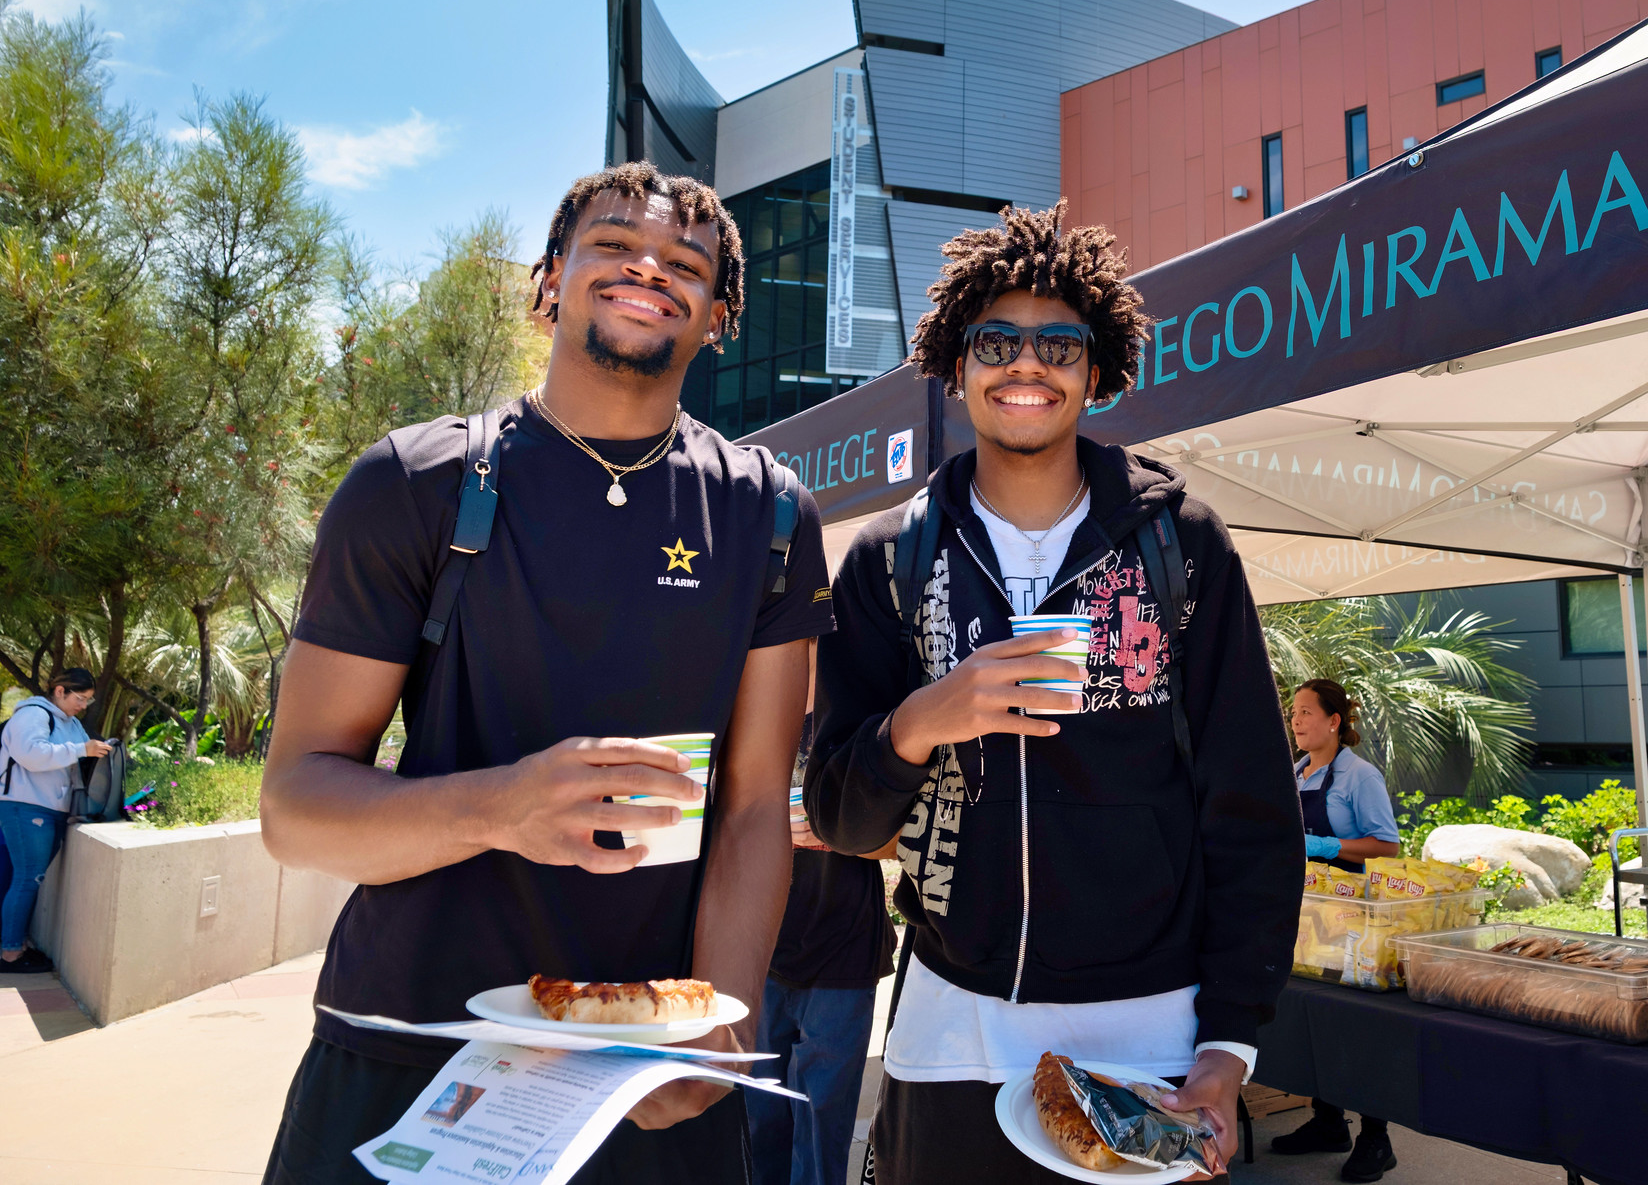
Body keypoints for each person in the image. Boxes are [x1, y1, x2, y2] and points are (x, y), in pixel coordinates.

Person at [258, 163, 834, 1185]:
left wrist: (720, 1021)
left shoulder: (770, 513)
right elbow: (296, 807)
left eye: (685, 263)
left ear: (718, 317)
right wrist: (499, 809)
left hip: (651, 1076)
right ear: (551, 281)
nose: (647, 268)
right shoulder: (416, 483)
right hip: (407, 1050)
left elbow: (751, 807)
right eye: (611, 246)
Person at [806, 202, 1303, 1184]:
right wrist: (917, 723)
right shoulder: (888, 559)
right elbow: (839, 815)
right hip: (952, 1028)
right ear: (956, 362)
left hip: (1149, 1035)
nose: (1024, 365)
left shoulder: (1180, 543)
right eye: (995, 340)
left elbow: (1250, 811)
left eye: (1058, 344)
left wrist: (1228, 1047)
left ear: (1096, 369)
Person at [744, 692, 898, 1185]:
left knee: (820, 1134)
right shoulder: (751, 717)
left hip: (844, 955)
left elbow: (909, 834)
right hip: (761, 952)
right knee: (760, 1126)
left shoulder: (860, 713)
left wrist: (844, 834)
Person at [1269, 679, 1401, 1182]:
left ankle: (1376, 1137)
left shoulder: (1359, 776)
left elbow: (1386, 846)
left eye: (1306, 712)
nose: (1296, 721)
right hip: (1307, 913)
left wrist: (1325, 846)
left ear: (1334, 721)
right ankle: (1328, 1123)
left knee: (1355, 1026)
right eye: (1293, 713)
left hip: (1351, 917)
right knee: (1312, 1019)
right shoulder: (1296, 772)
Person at [0, 669, 111, 974]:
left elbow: (78, 758)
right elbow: (31, 754)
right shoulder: (34, 714)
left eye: (88, 700)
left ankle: (12, 943)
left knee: (19, 877)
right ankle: (10, 954)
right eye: (80, 698)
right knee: (28, 877)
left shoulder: (72, 723)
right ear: (60, 691)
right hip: (25, 806)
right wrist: (81, 749)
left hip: (50, 808)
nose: (84, 706)